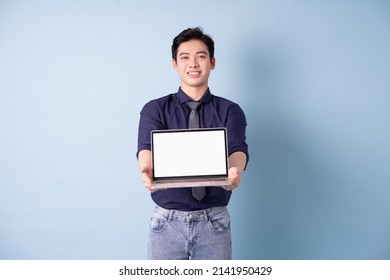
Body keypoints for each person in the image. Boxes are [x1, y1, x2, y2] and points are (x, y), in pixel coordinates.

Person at [137, 27, 249, 260]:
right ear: (175, 64)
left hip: (214, 222)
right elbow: (146, 148)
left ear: (212, 62)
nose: (193, 64)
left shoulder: (230, 110)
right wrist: (146, 170)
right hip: (166, 222)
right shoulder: (155, 109)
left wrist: (234, 170)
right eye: (185, 57)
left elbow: (237, 149)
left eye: (201, 56)